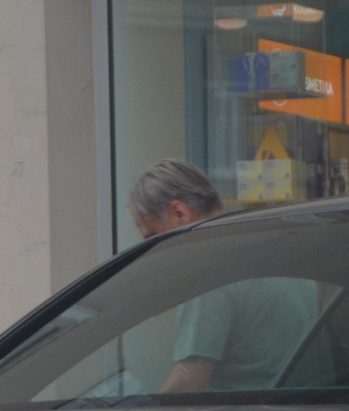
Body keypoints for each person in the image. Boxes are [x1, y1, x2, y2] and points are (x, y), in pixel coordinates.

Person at [124, 158, 322, 395]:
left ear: (180, 212)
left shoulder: (209, 275)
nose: (155, 250)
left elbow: (188, 384)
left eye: (153, 236)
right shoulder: (278, 254)